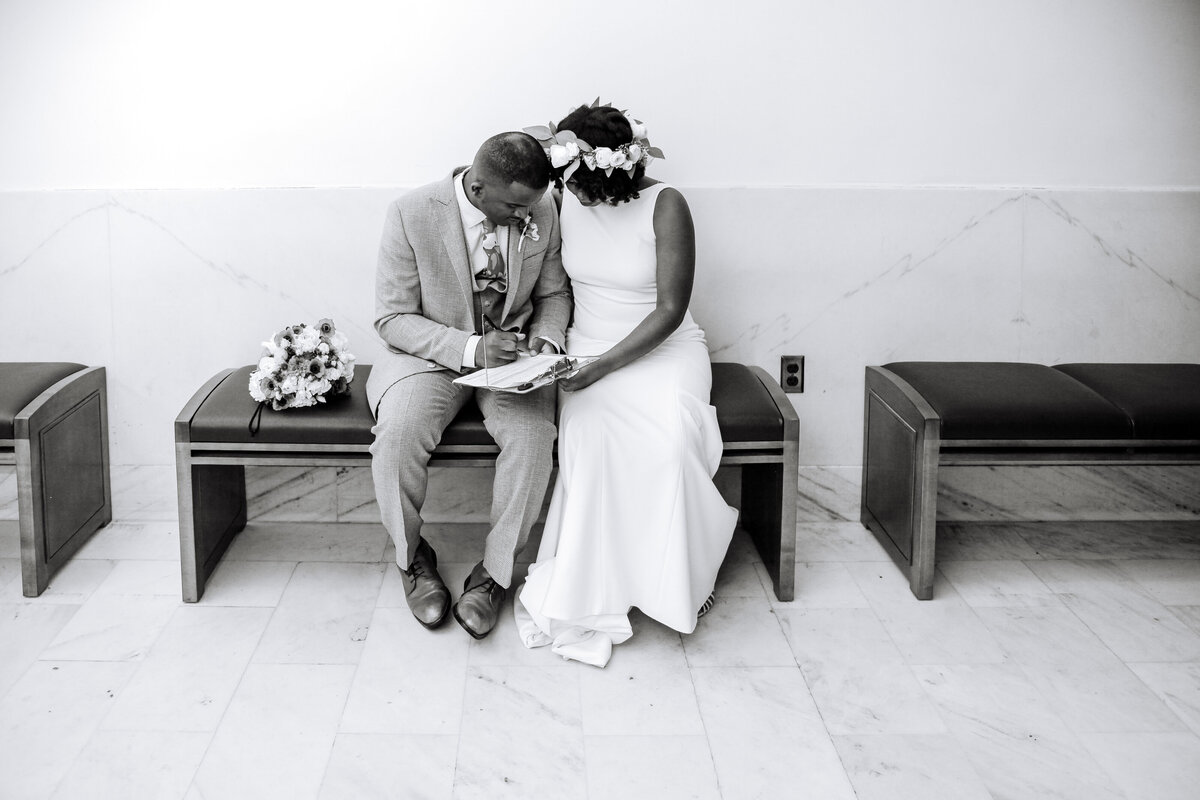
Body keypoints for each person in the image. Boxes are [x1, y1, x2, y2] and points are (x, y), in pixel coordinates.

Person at [515, 103, 738, 667]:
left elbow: (669, 309)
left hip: (663, 351)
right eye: (572, 186)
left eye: (590, 188)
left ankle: (678, 580)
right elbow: (550, 290)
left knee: (667, 445)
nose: (580, 199)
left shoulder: (667, 205)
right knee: (590, 449)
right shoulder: (564, 196)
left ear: (620, 172)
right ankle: (599, 584)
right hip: (587, 347)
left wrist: (605, 365)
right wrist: (550, 346)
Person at [366, 131, 572, 639]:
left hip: (513, 365)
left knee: (531, 440)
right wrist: (470, 349)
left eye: (533, 206)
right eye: (515, 207)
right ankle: (412, 558)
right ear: (478, 189)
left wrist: (545, 340)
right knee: (396, 436)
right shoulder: (410, 212)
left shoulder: (541, 210)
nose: (527, 217)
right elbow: (393, 318)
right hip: (430, 359)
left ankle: (495, 574)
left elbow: (554, 293)